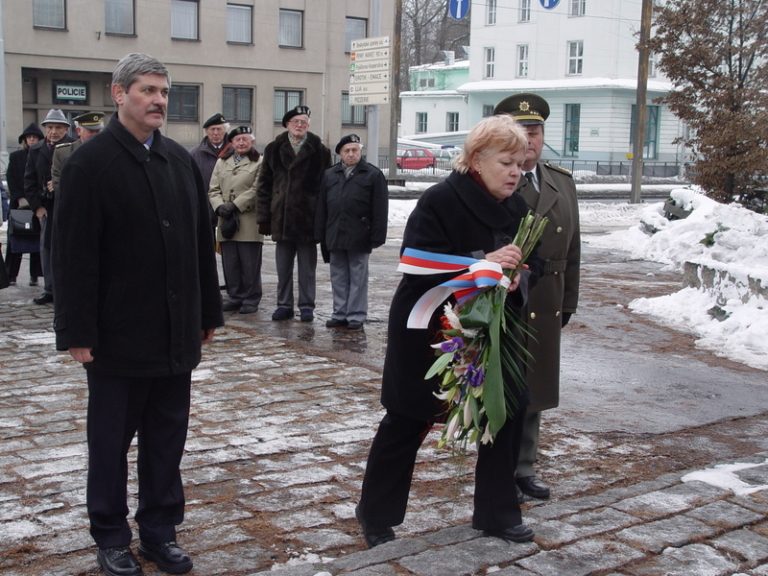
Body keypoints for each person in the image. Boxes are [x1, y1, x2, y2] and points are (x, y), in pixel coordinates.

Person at [52, 53, 224, 576]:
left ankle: (159, 531)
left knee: (167, 438)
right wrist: (76, 331)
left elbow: (200, 242)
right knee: (110, 443)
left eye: (164, 92)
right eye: (147, 89)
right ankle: (109, 534)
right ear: (118, 93)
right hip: (115, 338)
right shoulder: (90, 163)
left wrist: (207, 312)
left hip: (175, 334)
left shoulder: (179, 161)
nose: (158, 100)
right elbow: (73, 255)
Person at [356, 115, 542, 548]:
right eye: (506, 162)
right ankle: (376, 514)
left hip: (492, 333)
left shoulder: (517, 207)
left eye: (520, 162)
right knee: (408, 418)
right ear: (476, 159)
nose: (516, 171)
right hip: (429, 329)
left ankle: (496, 513)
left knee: (508, 410)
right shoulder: (441, 199)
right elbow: (417, 261)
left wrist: (517, 279)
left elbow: (535, 265)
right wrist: (481, 263)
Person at [493, 93, 581, 501]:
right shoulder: (494, 183)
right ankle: (493, 467)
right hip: (504, 300)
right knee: (501, 385)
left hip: (545, 301)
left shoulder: (560, 182)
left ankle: (524, 466)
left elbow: (573, 251)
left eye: (536, 131)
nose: (530, 140)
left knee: (536, 386)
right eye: (522, 131)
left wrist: (568, 303)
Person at [256, 105, 331, 322]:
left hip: (308, 219)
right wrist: (264, 218)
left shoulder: (320, 150)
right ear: (288, 124)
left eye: (304, 122)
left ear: (308, 125)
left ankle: (307, 306)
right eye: (296, 122)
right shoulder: (273, 148)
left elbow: (327, 187)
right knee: (283, 267)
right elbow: (264, 185)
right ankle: (284, 304)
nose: (300, 126)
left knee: (307, 268)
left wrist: (322, 218)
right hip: (282, 218)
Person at [315, 134, 388, 330]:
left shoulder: (372, 174)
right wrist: (320, 232)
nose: (351, 154)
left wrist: (377, 235)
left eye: (354, 150)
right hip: (335, 232)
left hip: (360, 234)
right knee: (338, 275)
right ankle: (339, 312)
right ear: (340, 153)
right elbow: (322, 206)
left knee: (358, 276)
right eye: (347, 150)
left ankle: (356, 314)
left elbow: (380, 208)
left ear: (360, 151)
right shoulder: (330, 175)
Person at [208, 125, 264, 314]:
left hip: (248, 220)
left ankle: (251, 297)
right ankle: (235, 296)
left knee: (249, 262)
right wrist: (219, 206)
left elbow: (257, 190)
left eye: (245, 139)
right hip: (226, 219)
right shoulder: (222, 162)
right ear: (231, 142)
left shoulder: (259, 162)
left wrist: (236, 205)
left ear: (252, 142)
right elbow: (213, 189)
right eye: (237, 139)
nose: (241, 142)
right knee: (230, 262)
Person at [24, 108, 75, 305]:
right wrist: (37, 207)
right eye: (50, 127)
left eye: (59, 128)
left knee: (70, 248)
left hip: (68, 205)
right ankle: (50, 289)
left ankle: (68, 287)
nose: (54, 131)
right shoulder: (36, 150)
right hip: (46, 207)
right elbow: (28, 181)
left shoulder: (73, 147)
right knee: (47, 248)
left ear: (66, 129)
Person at [5, 123, 44, 286]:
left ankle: (35, 275)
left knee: (36, 241)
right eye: (29, 137)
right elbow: (11, 179)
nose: (32, 140)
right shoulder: (16, 157)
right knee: (15, 241)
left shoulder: (43, 154)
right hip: (19, 205)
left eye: (35, 137)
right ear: (25, 140)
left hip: (36, 205)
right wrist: (20, 197)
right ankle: (11, 275)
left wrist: (36, 200)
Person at [51, 111, 105, 194]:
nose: (95, 135)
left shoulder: (109, 152)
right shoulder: (63, 152)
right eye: (91, 131)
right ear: (78, 131)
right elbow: (58, 183)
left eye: (98, 131)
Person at [190, 112, 229, 191]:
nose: (215, 133)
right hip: (204, 200)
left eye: (219, 129)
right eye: (212, 129)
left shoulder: (235, 152)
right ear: (207, 132)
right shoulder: (194, 154)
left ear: (225, 131)